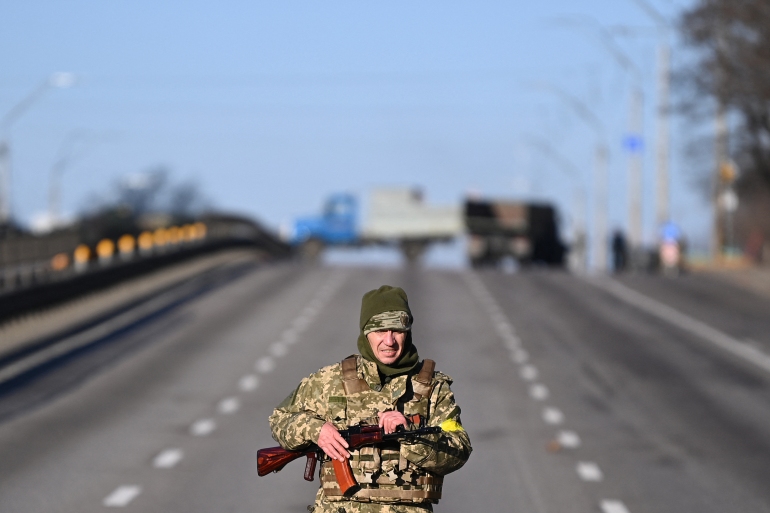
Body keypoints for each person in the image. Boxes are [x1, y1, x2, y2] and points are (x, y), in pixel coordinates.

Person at [269, 285, 472, 512]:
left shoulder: (434, 387)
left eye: (397, 330)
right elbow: (280, 419)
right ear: (365, 333)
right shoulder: (328, 381)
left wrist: (410, 437)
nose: (389, 341)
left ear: (408, 331)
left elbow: (459, 450)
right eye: (379, 331)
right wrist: (314, 429)